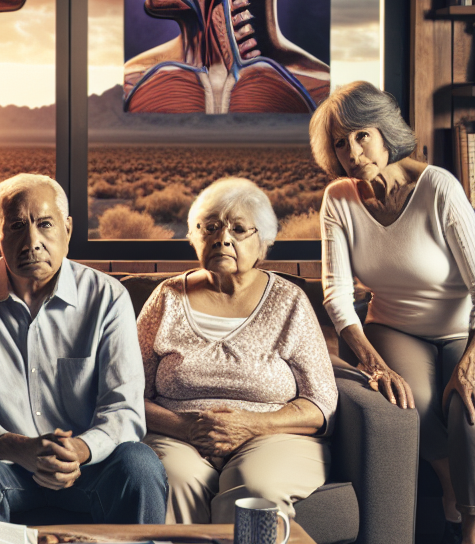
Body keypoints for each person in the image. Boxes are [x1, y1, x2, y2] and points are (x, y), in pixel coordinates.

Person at [310, 81, 475, 544]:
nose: (352, 152)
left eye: (361, 136)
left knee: (468, 408)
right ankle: (452, 500)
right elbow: (337, 294)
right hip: (393, 325)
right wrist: (373, 362)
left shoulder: (439, 187)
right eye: (340, 143)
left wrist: (470, 362)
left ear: (386, 132)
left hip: (465, 326)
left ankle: (471, 542)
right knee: (411, 403)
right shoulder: (338, 199)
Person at [0, 173, 168, 524]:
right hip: (4, 466)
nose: (33, 242)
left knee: (140, 463)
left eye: (45, 224)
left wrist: (80, 449)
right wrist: (18, 447)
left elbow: (124, 407)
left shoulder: (107, 298)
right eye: (17, 226)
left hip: (88, 468)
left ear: (68, 229)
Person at [139, 177, 338, 526]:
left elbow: (321, 403)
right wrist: (184, 427)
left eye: (239, 229)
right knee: (173, 482)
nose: (223, 238)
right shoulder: (167, 297)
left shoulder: (289, 301)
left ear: (263, 241)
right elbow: (127, 393)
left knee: (253, 487)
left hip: (272, 436)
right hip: (177, 435)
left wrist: (252, 425)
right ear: (194, 237)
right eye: (210, 228)